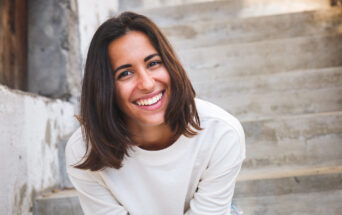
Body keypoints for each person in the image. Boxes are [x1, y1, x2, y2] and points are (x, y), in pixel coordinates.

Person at [66, 11, 246, 215]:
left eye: (153, 63)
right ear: (105, 87)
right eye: (125, 73)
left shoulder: (220, 132)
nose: (147, 83)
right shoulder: (83, 150)